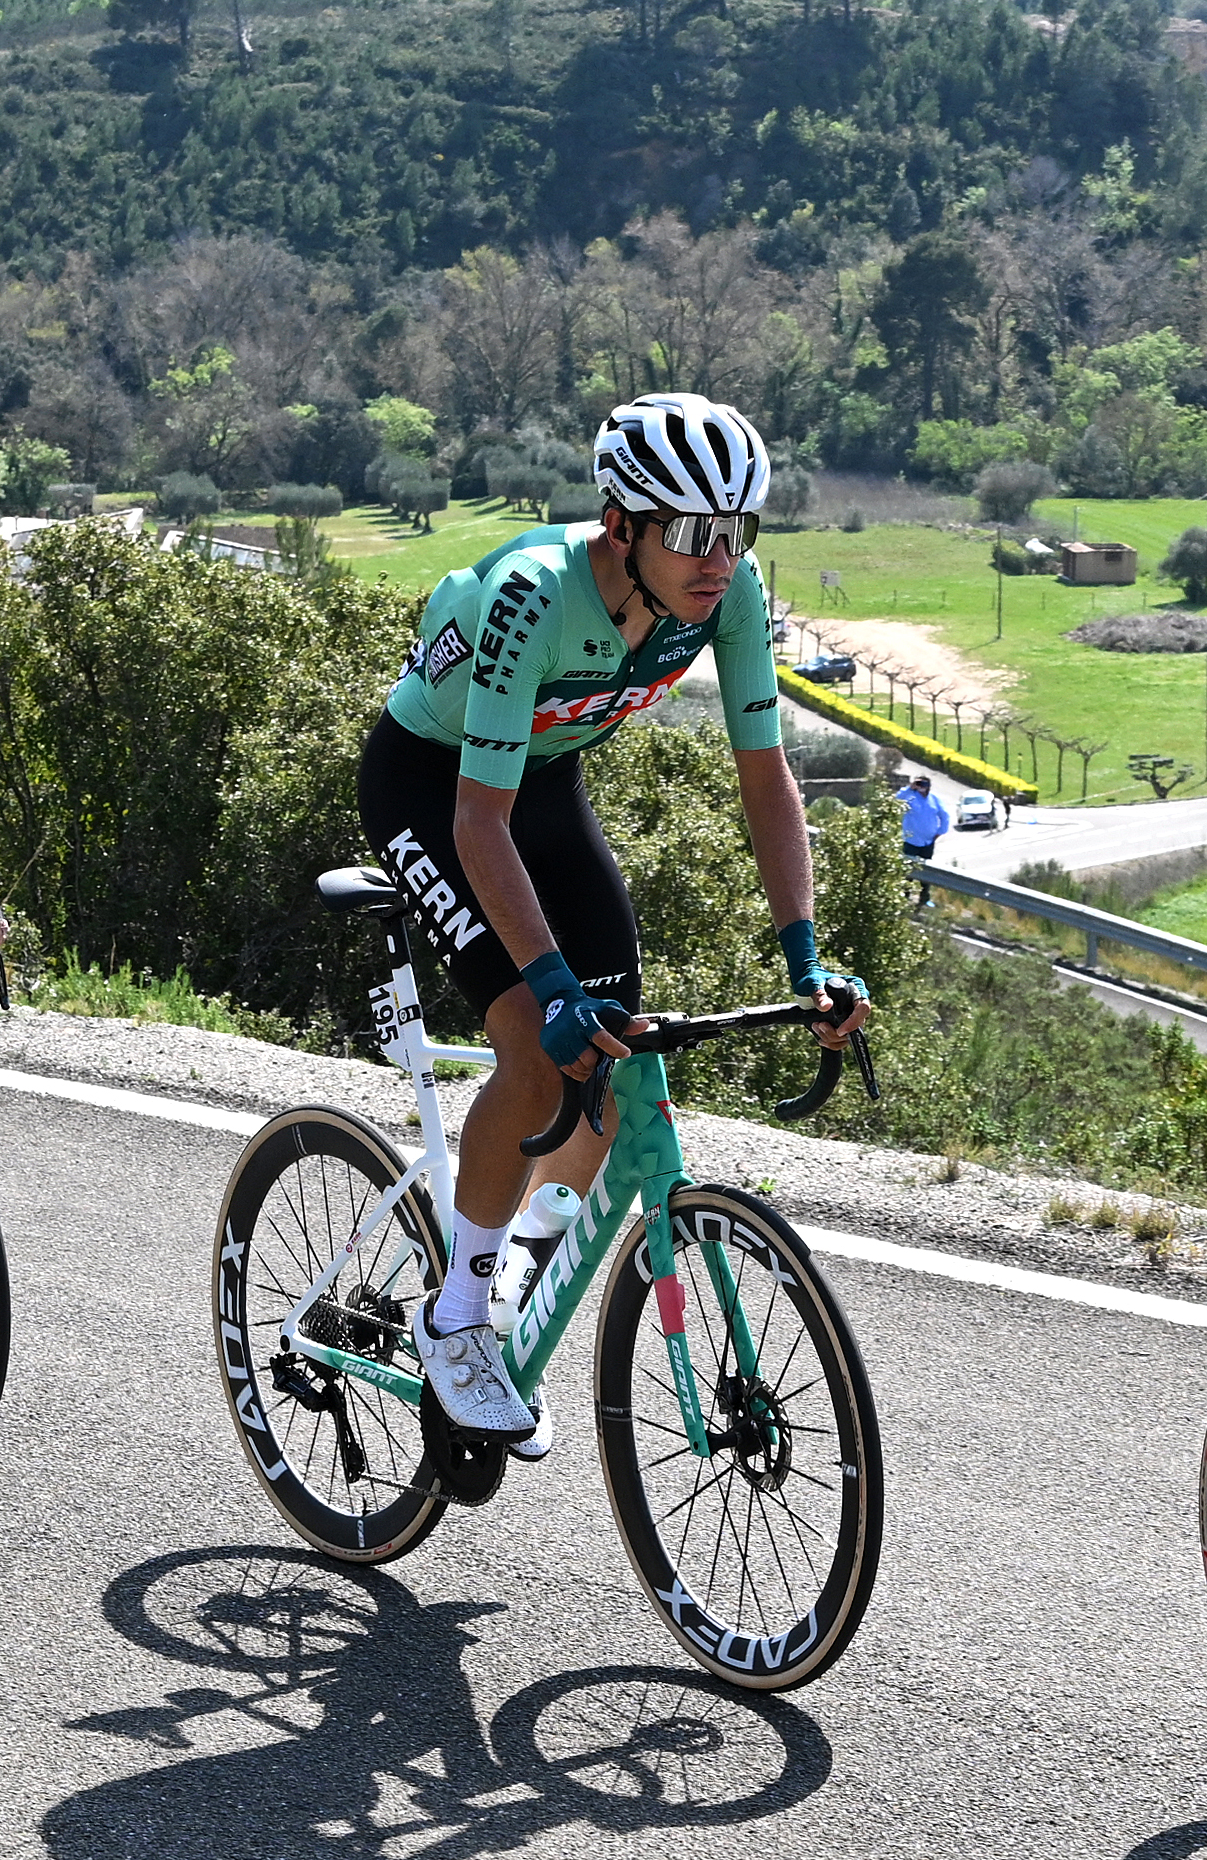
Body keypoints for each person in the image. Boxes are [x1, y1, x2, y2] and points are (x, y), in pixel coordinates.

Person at [364, 390, 867, 1446]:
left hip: (541, 786)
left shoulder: (722, 596)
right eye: (691, 532)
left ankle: (519, 1272)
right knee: (537, 1052)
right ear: (620, 525)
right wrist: (541, 984)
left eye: (738, 531)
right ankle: (455, 1313)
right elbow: (474, 821)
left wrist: (805, 955)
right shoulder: (529, 598)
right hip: (436, 787)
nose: (717, 558)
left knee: (617, 1044)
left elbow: (765, 775)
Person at [896, 765, 947, 905]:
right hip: (911, 840)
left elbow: (944, 815)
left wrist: (940, 832)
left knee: (926, 872)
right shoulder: (910, 796)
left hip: (927, 842)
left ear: (929, 786)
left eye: (923, 784)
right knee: (908, 871)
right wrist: (909, 788)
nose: (921, 786)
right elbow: (896, 800)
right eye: (919, 783)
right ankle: (904, 897)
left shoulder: (934, 799)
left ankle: (924, 898)